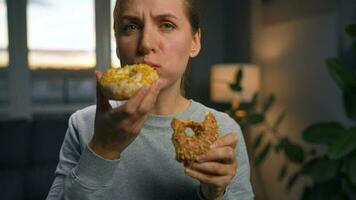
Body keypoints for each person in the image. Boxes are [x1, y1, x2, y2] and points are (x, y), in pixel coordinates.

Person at [46, 0, 254, 199]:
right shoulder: (83, 125)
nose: (145, 44)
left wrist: (214, 195)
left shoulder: (224, 131)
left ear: (194, 41)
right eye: (131, 27)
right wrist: (103, 149)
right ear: (117, 45)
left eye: (166, 25)